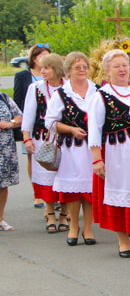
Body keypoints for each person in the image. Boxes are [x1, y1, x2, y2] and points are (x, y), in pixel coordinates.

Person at [88, 49, 130, 258]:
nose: (122, 69)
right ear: (107, 70)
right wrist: (97, 160)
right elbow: (94, 129)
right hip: (117, 153)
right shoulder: (101, 96)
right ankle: (123, 240)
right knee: (120, 195)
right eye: (117, 66)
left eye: (125, 65)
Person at [45, 52, 97, 247]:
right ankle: (74, 225)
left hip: (93, 149)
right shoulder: (61, 94)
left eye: (85, 66)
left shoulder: (97, 90)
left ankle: (88, 228)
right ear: (68, 71)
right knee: (74, 191)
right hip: (71, 150)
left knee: (91, 190)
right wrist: (71, 129)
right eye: (78, 67)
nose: (82, 70)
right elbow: (50, 122)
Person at [21, 53, 68, 233]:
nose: (42, 71)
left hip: (65, 140)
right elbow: (28, 115)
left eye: (46, 68)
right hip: (43, 140)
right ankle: (49, 213)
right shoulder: (36, 88)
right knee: (46, 177)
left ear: (56, 69)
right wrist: (27, 138)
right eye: (42, 68)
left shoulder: (68, 88)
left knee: (65, 176)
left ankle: (64, 214)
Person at [13, 43, 51, 209]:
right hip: (33, 124)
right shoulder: (23, 76)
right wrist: (25, 122)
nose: (45, 59)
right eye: (42, 55)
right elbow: (18, 99)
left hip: (50, 124)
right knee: (33, 157)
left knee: (52, 158)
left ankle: (52, 192)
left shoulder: (54, 75)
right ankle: (38, 194)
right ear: (34, 58)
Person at [0, 90, 23, 231]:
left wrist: (10, 123)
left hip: (5, 149)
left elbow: (20, 117)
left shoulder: (4, 97)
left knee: (3, 184)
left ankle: (0, 219)